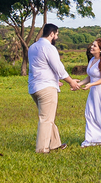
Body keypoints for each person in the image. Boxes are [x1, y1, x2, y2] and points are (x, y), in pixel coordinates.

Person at [27, 23, 81, 152]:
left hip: (35, 87)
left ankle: (55, 144)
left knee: (48, 116)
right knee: (46, 119)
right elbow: (58, 68)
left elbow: (39, 67)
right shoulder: (49, 48)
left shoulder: (32, 47)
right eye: (56, 34)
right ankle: (42, 149)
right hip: (46, 88)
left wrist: (54, 81)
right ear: (52, 34)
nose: (56, 37)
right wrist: (71, 82)